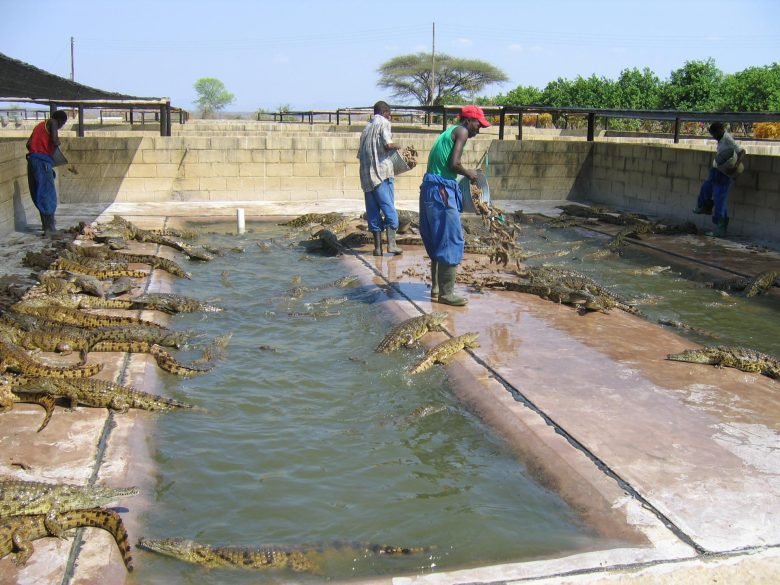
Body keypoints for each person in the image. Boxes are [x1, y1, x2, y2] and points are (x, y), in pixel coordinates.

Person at [419, 105, 490, 306]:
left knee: (436, 237)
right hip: (441, 189)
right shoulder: (462, 131)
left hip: (429, 188)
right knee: (450, 238)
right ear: (468, 121)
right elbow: (454, 164)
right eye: (478, 124)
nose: (479, 129)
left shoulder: (447, 133)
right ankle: (446, 293)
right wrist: (469, 173)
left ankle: (436, 288)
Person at [357, 100, 403, 256]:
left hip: (366, 178)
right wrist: (400, 146)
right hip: (382, 175)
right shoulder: (383, 123)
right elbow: (388, 144)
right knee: (390, 211)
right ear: (385, 113)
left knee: (372, 212)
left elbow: (360, 155)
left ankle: (377, 249)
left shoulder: (366, 129)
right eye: (389, 114)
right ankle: (392, 245)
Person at [693, 122, 746, 238]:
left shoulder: (727, 138)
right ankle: (705, 206)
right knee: (706, 187)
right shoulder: (721, 139)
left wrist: (736, 166)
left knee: (719, 199)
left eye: (715, 134)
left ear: (721, 130)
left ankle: (720, 227)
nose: (714, 137)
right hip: (717, 169)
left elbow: (742, 151)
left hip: (725, 173)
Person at [26, 110, 68, 236]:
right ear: (60, 121)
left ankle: (46, 227)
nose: (60, 126)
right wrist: (55, 146)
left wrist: (38, 150)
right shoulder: (53, 122)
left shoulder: (39, 126)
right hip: (43, 162)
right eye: (62, 124)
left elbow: (28, 144)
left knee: (39, 193)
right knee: (47, 193)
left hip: (33, 160)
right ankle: (50, 229)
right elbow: (55, 140)